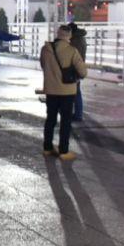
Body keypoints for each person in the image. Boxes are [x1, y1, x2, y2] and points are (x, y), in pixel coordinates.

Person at [39, 24, 88, 160]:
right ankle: (63, 150)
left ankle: (47, 148)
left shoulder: (45, 49)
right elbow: (83, 72)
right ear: (69, 36)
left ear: (58, 34)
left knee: (50, 119)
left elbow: (43, 65)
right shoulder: (72, 51)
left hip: (51, 90)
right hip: (67, 91)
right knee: (65, 121)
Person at [68, 21, 88, 121]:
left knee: (76, 92)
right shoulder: (80, 38)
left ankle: (78, 114)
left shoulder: (75, 41)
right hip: (79, 67)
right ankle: (77, 113)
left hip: (75, 68)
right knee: (76, 91)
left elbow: (72, 55)